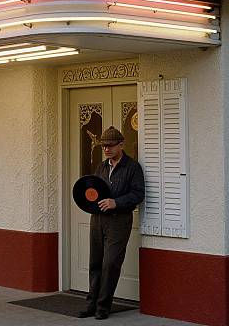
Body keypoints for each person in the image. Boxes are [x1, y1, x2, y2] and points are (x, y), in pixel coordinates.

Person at [79, 126, 145, 320]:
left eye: (110, 145)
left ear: (121, 144)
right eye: (104, 146)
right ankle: (90, 305)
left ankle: (103, 307)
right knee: (95, 263)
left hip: (119, 221)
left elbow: (138, 194)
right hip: (97, 220)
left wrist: (116, 202)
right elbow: (94, 191)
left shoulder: (132, 168)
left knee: (110, 264)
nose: (106, 149)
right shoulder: (101, 167)